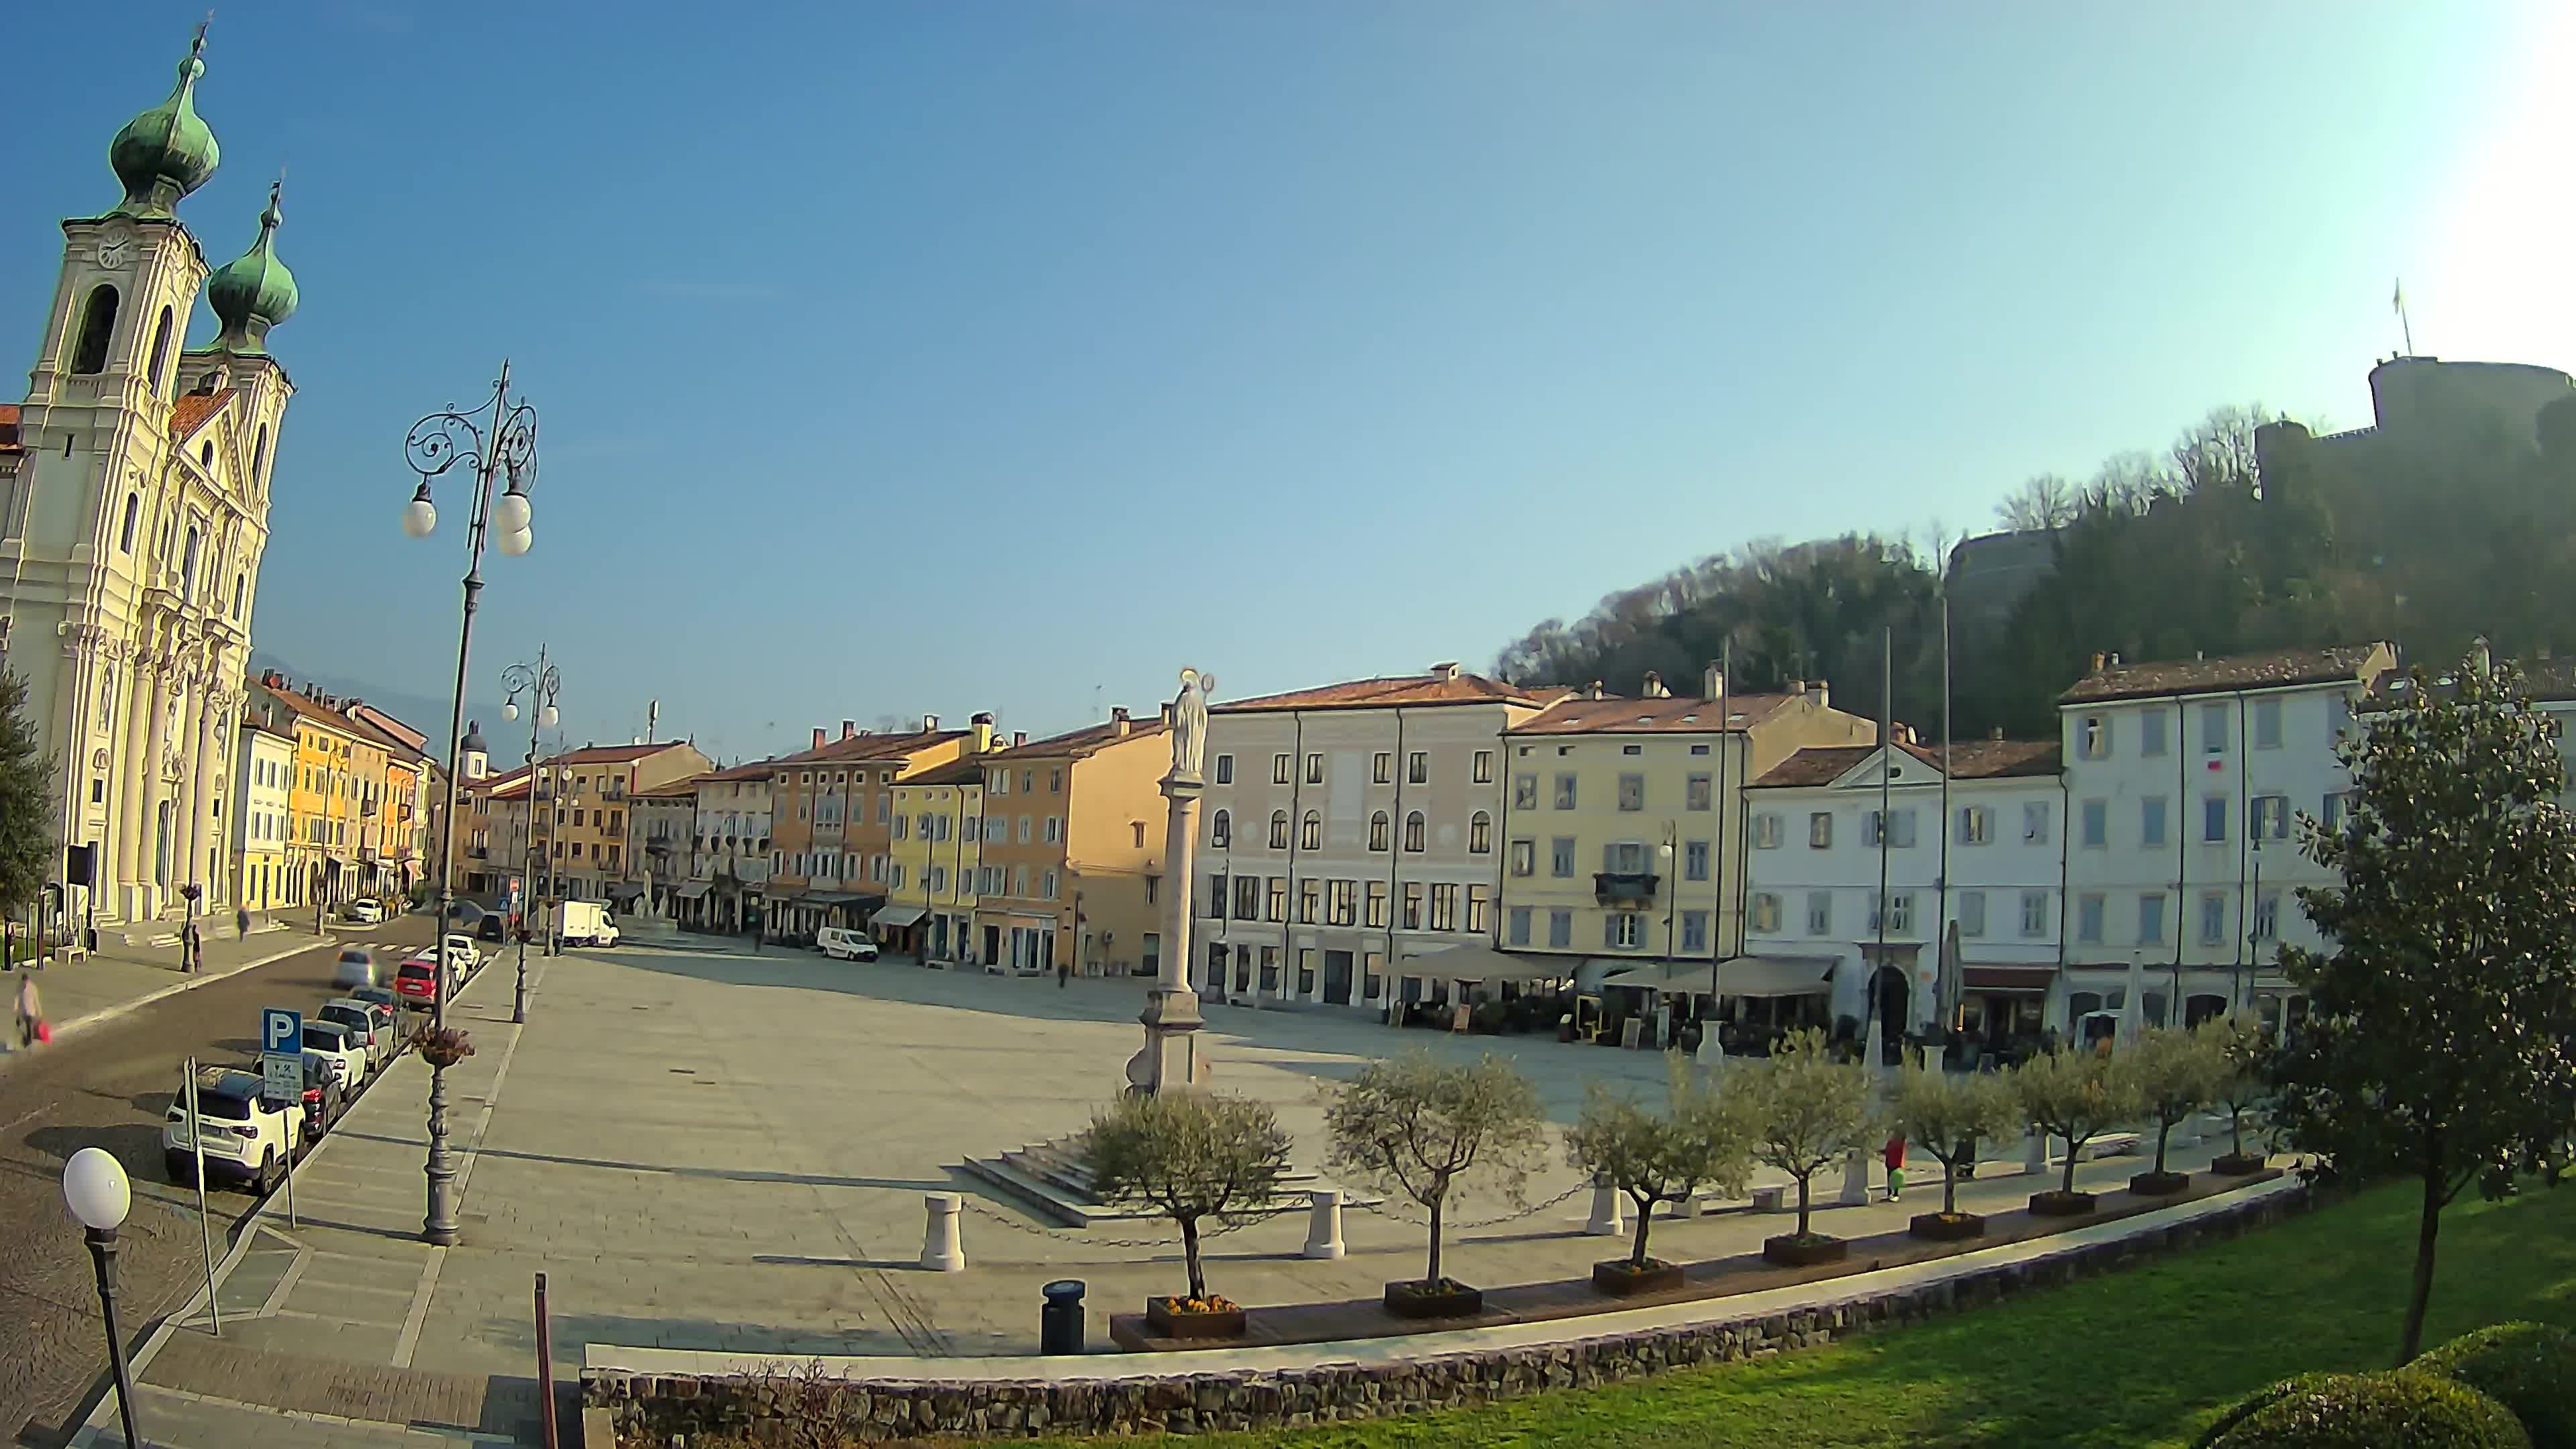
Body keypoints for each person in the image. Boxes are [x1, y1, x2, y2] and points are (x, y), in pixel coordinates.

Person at [13, 972, 40, 1050]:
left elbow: (36, 1000)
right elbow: (17, 998)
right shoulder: (20, 987)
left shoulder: (33, 988)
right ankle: (25, 1041)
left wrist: (39, 1011)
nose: (25, 983)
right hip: (22, 1011)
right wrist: (15, 1008)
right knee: (19, 1026)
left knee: (29, 1027)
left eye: (26, 981)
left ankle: (28, 1042)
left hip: (31, 1012)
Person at [1883, 1132, 1908, 1202]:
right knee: (1895, 1179)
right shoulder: (1898, 1143)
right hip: (1894, 1163)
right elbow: (1887, 1151)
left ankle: (1891, 1194)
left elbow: (1887, 1151)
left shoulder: (1897, 1143)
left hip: (1893, 1163)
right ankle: (1894, 1194)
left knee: (1892, 1179)